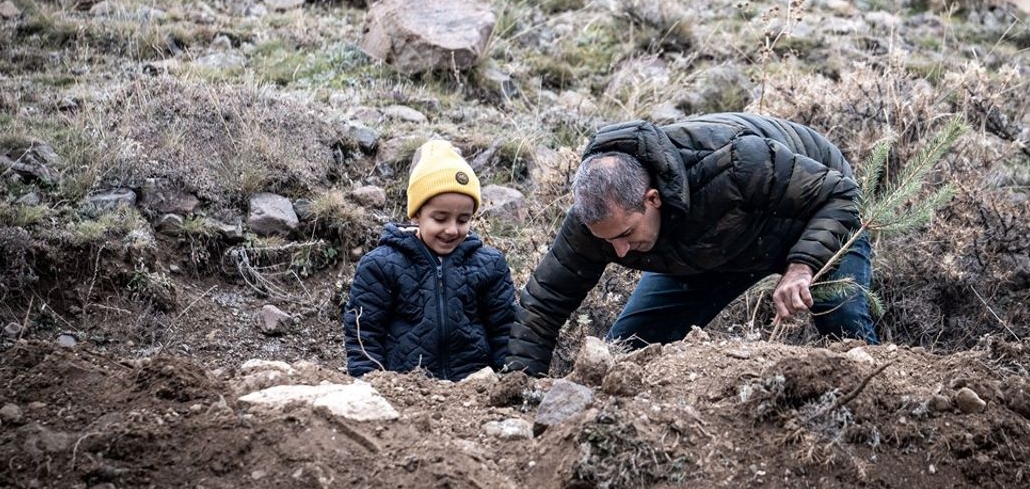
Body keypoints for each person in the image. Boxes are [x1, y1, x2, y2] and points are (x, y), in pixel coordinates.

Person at [506, 112, 877, 376]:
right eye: (609, 241)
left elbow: (841, 195)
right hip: (710, 246)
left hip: (806, 215)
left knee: (843, 323)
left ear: (653, 199)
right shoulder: (599, 221)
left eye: (625, 236)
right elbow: (543, 302)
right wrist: (520, 387)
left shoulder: (732, 163)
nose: (619, 252)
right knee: (628, 353)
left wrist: (802, 264)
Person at [344, 139, 518, 380]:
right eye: (440, 218)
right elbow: (363, 336)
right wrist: (370, 384)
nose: (451, 230)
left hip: (475, 391)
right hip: (403, 393)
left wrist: (508, 380)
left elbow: (505, 331)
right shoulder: (381, 265)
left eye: (463, 219)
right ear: (416, 214)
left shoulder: (490, 264)